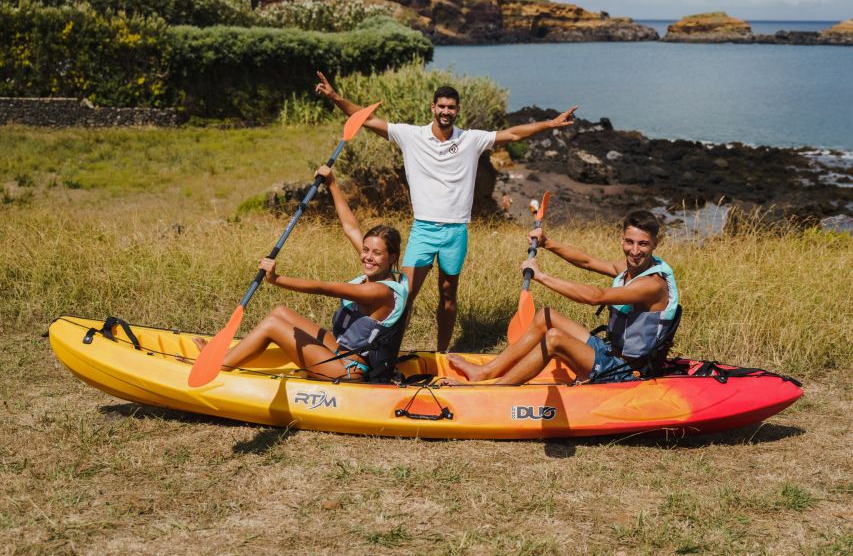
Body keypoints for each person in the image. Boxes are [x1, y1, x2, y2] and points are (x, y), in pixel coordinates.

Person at [315, 70, 578, 351]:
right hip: (424, 230)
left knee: (449, 294)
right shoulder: (411, 136)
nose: (445, 111)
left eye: (451, 107)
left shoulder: (470, 139)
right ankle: (386, 352)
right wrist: (335, 97)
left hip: (456, 232)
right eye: (441, 106)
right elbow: (366, 120)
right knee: (402, 295)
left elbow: (513, 134)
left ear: (457, 110)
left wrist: (550, 124)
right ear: (433, 108)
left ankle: (442, 353)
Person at [194, 166, 408, 381]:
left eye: (377, 253)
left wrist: (277, 279)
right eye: (365, 250)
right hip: (338, 349)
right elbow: (350, 227)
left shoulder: (380, 291)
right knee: (280, 312)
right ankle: (228, 357)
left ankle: (217, 367)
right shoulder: (373, 271)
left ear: (391, 257)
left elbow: (325, 288)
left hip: (347, 368)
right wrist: (332, 183)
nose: (368, 257)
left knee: (272, 325)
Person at [446, 210, 679, 384]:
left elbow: (596, 297)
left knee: (554, 338)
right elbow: (587, 261)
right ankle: (485, 371)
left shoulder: (652, 285)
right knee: (546, 316)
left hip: (624, 371)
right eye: (630, 242)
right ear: (622, 240)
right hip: (610, 354)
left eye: (643, 244)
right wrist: (548, 243)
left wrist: (542, 277)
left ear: (655, 244)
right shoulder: (631, 268)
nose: (635, 251)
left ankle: (495, 389)